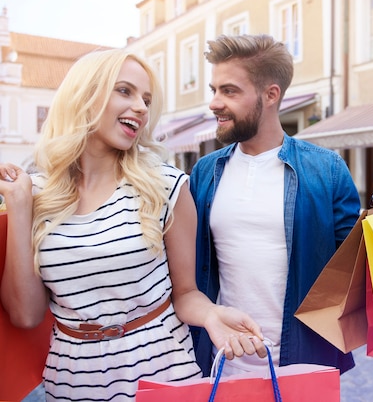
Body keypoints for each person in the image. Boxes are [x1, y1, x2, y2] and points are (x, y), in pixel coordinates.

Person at [0, 49, 266, 401]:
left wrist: (213, 314)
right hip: (71, 380)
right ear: (85, 95)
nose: (141, 107)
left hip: (162, 373)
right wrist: (19, 208)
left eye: (146, 99)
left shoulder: (166, 186)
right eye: (125, 91)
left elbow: (185, 294)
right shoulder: (34, 194)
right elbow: (25, 315)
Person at [189, 34, 373, 376]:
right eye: (214, 90)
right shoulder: (204, 172)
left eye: (229, 91)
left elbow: (356, 271)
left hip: (304, 364)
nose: (215, 103)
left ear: (271, 94)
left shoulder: (326, 169)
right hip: (220, 364)